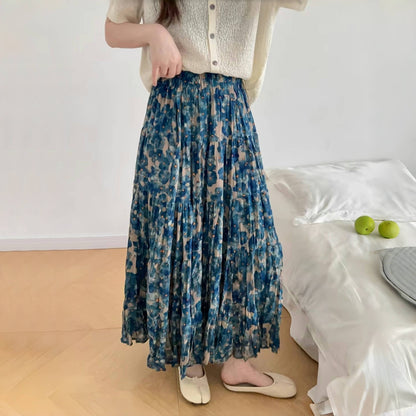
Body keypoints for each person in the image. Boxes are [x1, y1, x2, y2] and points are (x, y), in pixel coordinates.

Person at [105, 0, 308, 405]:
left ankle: (238, 363)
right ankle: (190, 357)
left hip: (230, 112)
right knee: (182, 234)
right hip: (172, 112)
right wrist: (155, 33)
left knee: (246, 237)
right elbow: (113, 30)